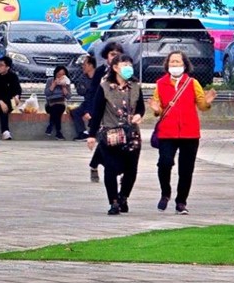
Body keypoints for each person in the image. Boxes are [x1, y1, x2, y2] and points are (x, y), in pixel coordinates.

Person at [150, 49, 216, 213]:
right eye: (172, 61)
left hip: (190, 132)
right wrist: (156, 109)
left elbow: (202, 105)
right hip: (167, 132)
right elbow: (157, 107)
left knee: (186, 169)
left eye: (178, 62)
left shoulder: (193, 83)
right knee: (164, 163)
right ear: (167, 64)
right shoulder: (160, 84)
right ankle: (165, 193)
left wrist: (207, 102)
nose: (174, 64)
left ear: (185, 65)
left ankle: (181, 202)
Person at [87, 52, 145, 215]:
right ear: (115, 67)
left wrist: (139, 115)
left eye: (130, 65)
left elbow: (140, 106)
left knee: (131, 169)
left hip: (132, 134)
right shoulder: (105, 86)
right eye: (124, 65)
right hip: (111, 133)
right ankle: (113, 202)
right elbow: (97, 111)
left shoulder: (135, 85)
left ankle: (123, 197)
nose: (128, 68)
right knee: (111, 168)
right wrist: (92, 135)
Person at [87, 41, 122, 182]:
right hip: (102, 112)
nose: (115, 57)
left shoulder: (124, 71)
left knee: (120, 142)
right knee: (105, 140)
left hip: (119, 112)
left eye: (118, 54)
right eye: (112, 54)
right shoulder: (101, 72)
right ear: (106, 55)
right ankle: (96, 165)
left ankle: (117, 169)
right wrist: (90, 110)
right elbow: (92, 91)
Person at [0, 56, 22, 140]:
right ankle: (5, 131)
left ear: (7, 67)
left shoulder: (13, 76)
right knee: (1, 107)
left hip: (8, 103)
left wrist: (17, 96)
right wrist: (0, 101)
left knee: (5, 106)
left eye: (1, 65)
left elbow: (17, 89)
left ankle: (5, 132)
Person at [70, 57, 96, 139]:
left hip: (98, 103)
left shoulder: (99, 76)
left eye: (84, 65)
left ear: (91, 65)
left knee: (92, 111)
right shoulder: (83, 77)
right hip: (87, 102)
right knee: (75, 112)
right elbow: (80, 91)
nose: (83, 67)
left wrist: (87, 88)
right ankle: (83, 133)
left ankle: (94, 133)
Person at [44, 65, 72, 139]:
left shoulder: (66, 82)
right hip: (50, 103)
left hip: (60, 103)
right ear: (55, 74)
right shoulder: (50, 80)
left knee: (58, 108)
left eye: (63, 75)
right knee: (55, 109)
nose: (60, 76)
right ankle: (58, 132)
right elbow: (46, 94)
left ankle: (51, 126)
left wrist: (64, 87)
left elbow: (68, 97)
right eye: (59, 74)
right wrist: (53, 85)